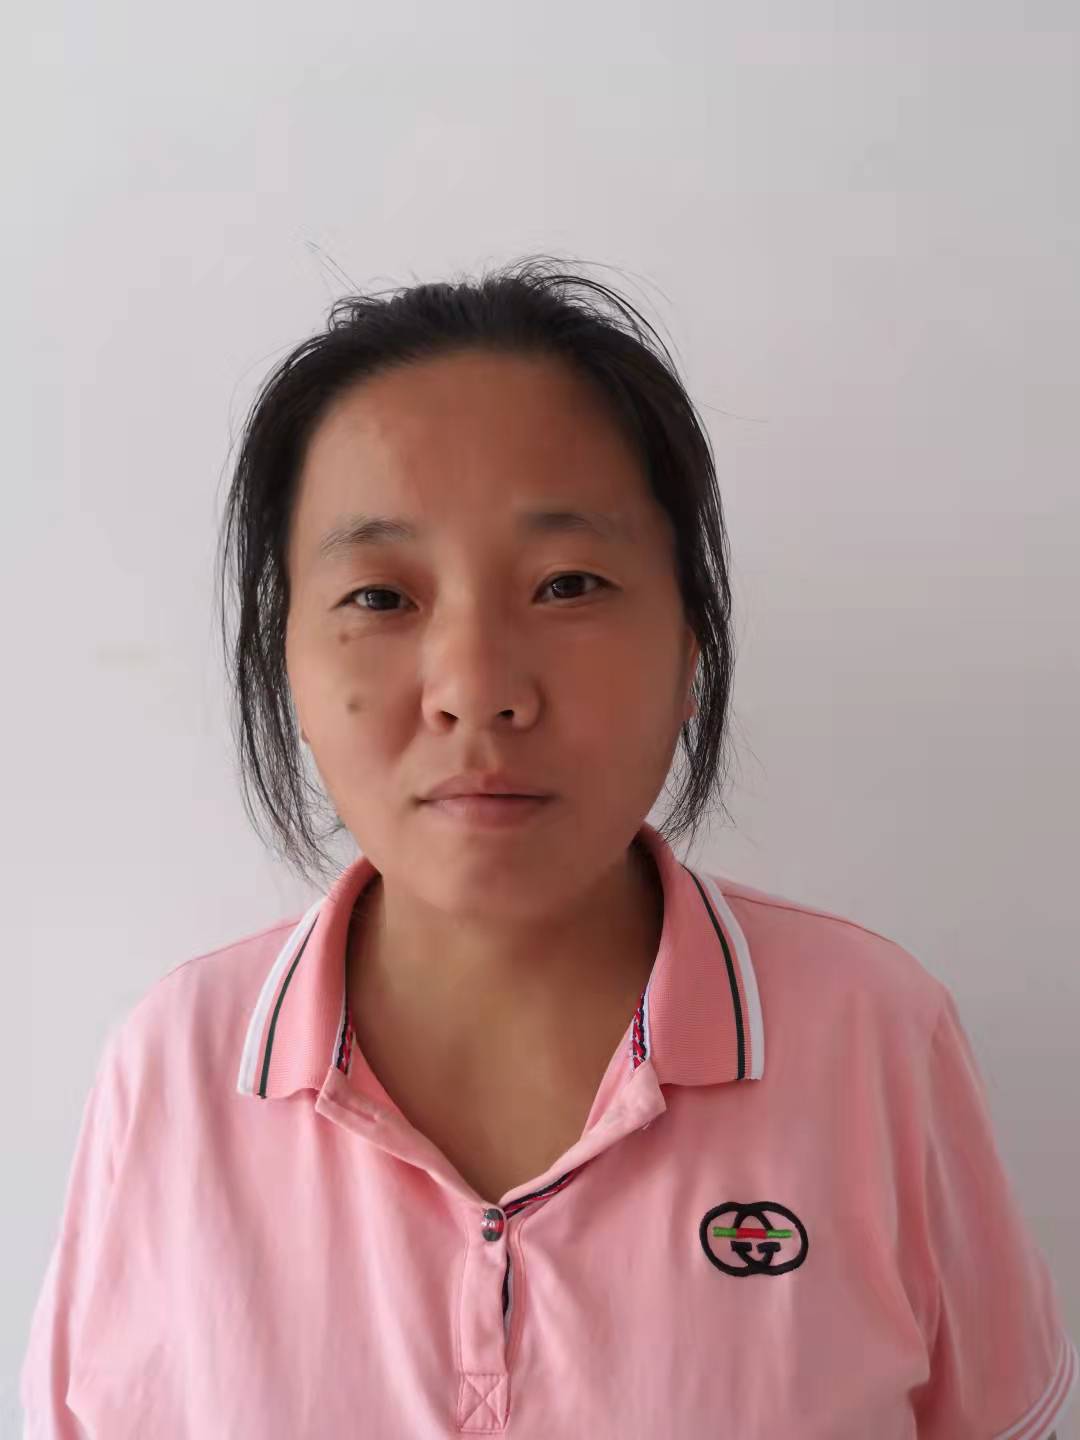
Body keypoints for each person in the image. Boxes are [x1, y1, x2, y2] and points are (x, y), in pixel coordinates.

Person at [21, 256, 1076, 1438]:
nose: (477, 690)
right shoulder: (175, 1067)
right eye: (380, 597)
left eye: (569, 584)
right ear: (290, 666)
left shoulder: (873, 1034)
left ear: (691, 648)